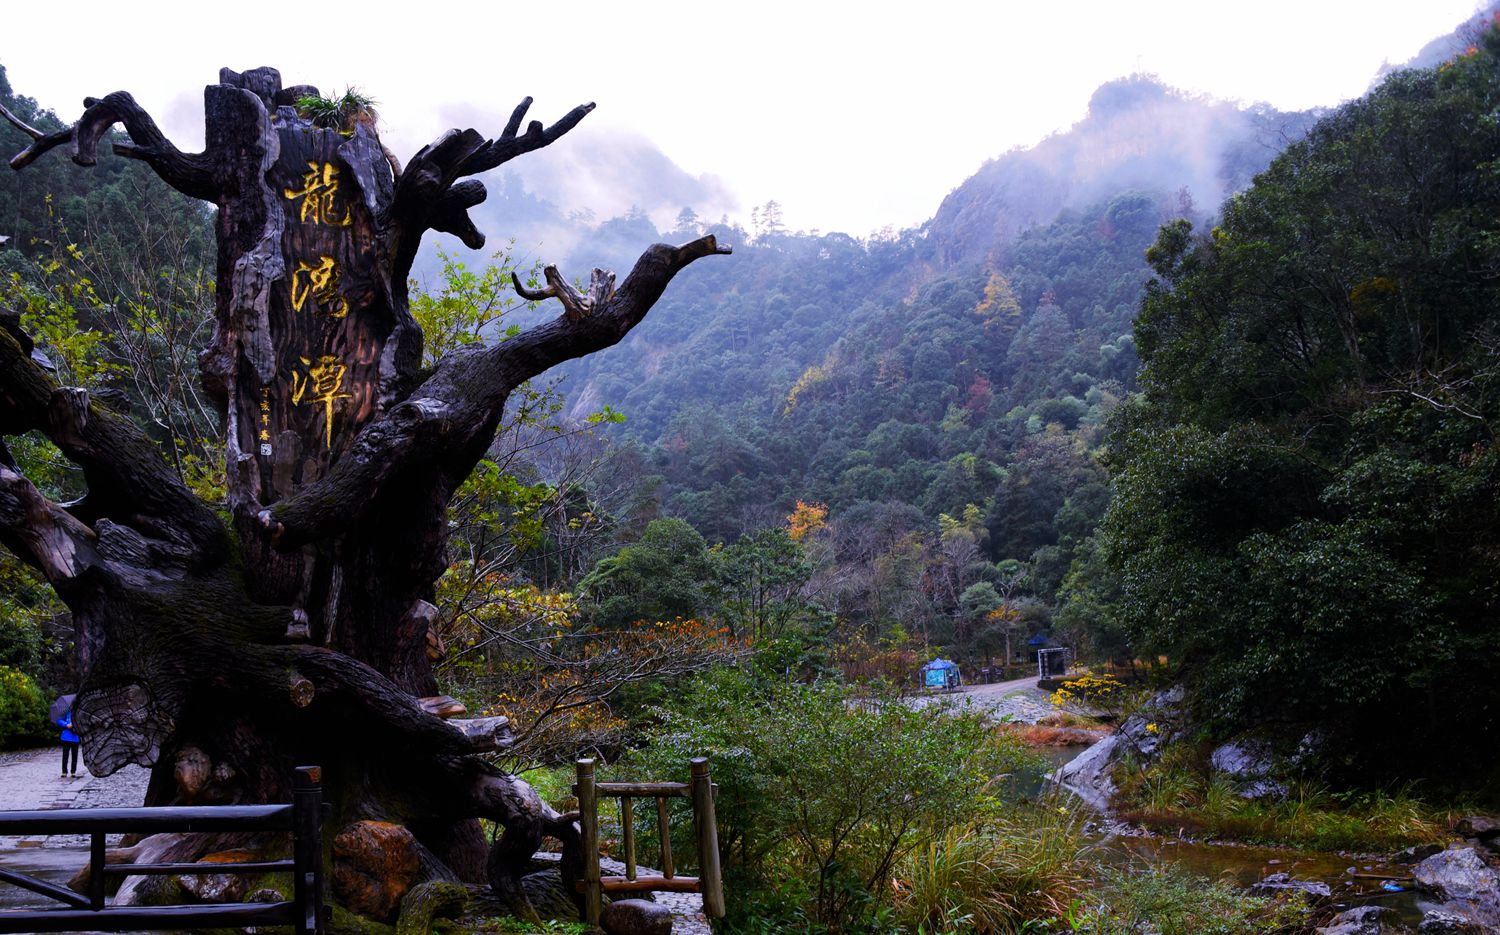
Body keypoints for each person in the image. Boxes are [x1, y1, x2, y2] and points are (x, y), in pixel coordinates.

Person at [59, 709, 80, 778]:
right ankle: (64, 772)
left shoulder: (78, 712)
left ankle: (73, 772)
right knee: (65, 755)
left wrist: (74, 724)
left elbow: (82, 722)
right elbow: (59, 720)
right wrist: (66, 724)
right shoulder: (64, 712)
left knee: (75, 755)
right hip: (66, 737)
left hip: (75, 737)